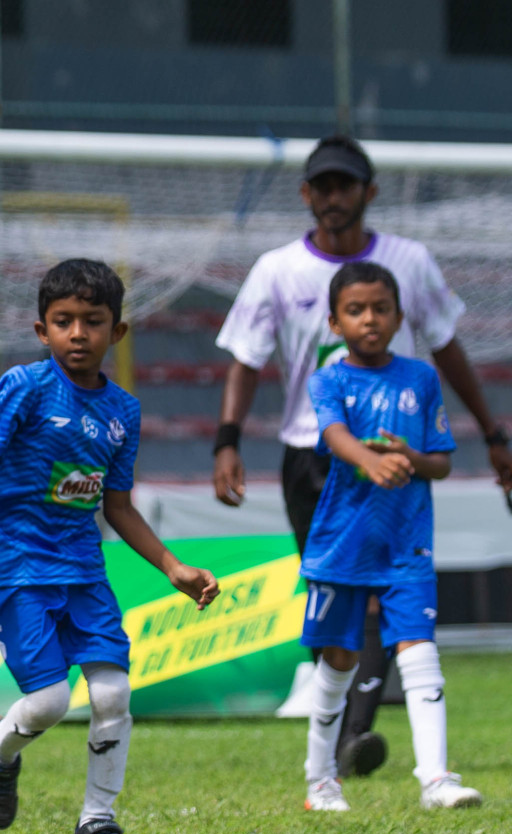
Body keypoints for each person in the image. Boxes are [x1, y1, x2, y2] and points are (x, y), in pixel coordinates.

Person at [212, 135, 512, 778]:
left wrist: (492, 433)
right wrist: (227, 439)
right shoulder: (277, 269)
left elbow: (446, 347)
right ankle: (339, 733)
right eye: (322, 186)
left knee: (384, 598)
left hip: (393, 457)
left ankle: (354, 742)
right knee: (340, 597)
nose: (332, 197)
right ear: (306, 195)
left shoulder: (409, 261)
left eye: (344, 185)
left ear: (368, 193)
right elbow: (245, 360)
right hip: (311, 457)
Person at [0, 259, 220, 834]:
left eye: (92, 322)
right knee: (49, 703)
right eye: (63, 322)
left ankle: (98, 821)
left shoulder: (125, 412)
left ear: (116, 333)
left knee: (113, 694)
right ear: (42, 331)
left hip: (85, 570)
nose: (77, 334)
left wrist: (172, 567)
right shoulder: (25, 387)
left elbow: (116, 506)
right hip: (18, 569)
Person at [297, 261, 481, 813]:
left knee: (420, 649)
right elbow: (332, 435)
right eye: (356, 310)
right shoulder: (328, 378)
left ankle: (436, 779)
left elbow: (443, 464)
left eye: (381, 309)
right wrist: (369, 461)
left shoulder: (421, 378)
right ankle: (320, 779)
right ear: (334, 321)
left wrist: (408, 459)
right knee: (340, 658)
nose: (370, 319)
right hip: (343, 544)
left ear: (400, 317)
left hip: (407, 544)